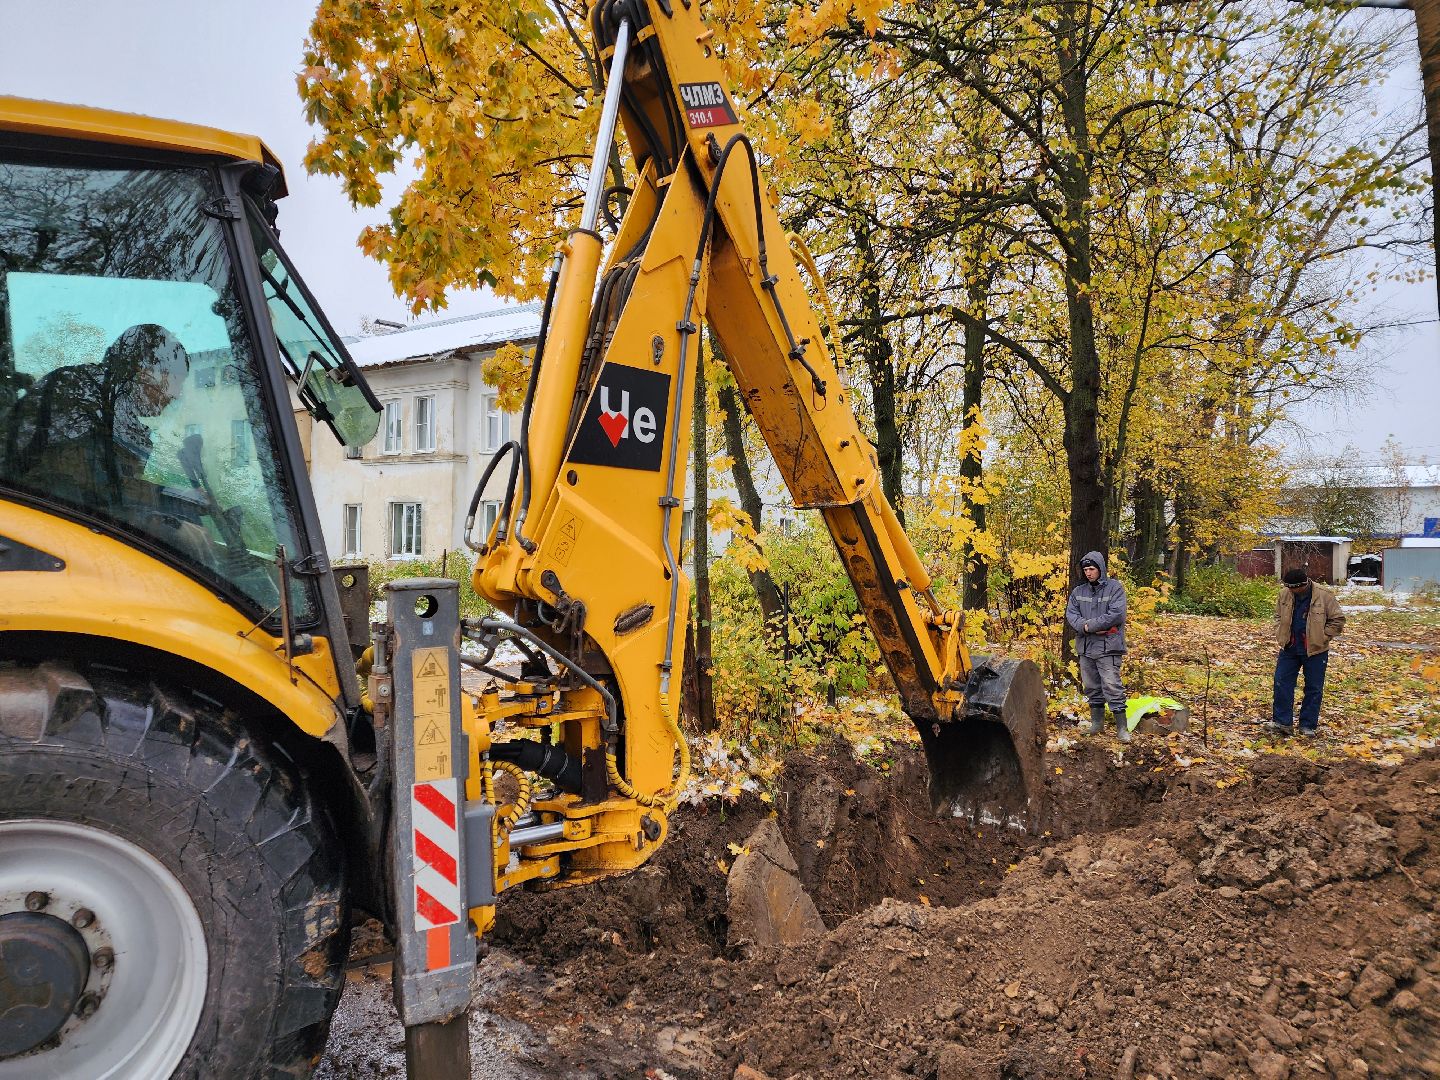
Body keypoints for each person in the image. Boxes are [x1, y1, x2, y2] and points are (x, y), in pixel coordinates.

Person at [1269, 567, 1345, 737]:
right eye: (1289, 588)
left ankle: (1308, 726)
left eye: (1295, 588)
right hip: (1289, 647)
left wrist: (1324, 637)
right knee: (1281, 683)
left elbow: (1337, 619)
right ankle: (1282, 723)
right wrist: (1279, 632)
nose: (1292, 591)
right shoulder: (1284, 594)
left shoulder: (1324, 595)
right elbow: (1278, 616)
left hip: (1316, 651)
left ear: (1304, 584)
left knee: (1314, 688)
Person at [1065, 551, 1130, 742]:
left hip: (1108, 647)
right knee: (1091, 686)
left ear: (1100, 569)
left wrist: (1089, 626)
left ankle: (1122, 729)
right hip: (1086, 647)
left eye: (1092, 569)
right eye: (1085, 569)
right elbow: (1072, 615)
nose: (1088, 573)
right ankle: (1097, 724)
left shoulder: (1115, 588)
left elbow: (1117, 615)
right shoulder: (1079, 592)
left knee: (1112, 685)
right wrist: (1085, 627)